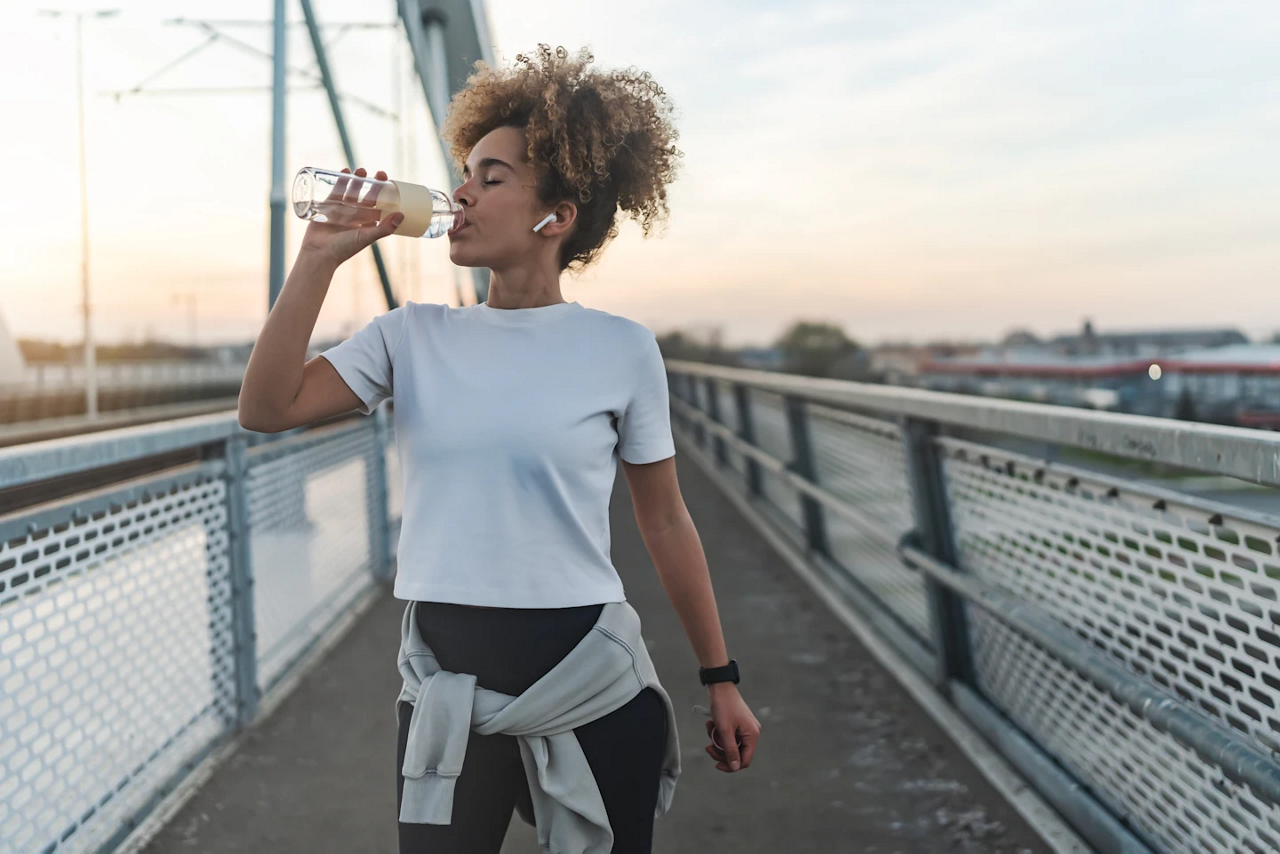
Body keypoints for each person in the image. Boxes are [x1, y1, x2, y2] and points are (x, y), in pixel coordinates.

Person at [237, 43, 761, 853]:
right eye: (466, 171)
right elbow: (266, 409)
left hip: (589, 681)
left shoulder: (622, 350)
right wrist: (315, 261)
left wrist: (720, 680)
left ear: (558, 216)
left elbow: (664, 523)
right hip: (445, 691)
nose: (461, 192)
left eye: (492, 177)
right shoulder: (409, 336)